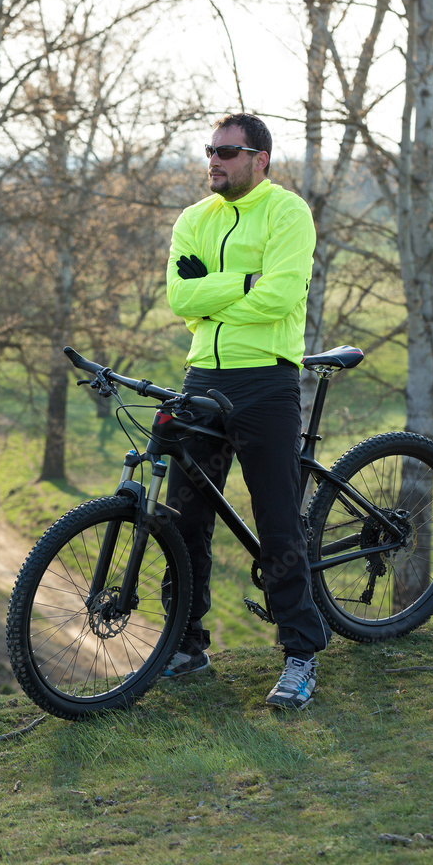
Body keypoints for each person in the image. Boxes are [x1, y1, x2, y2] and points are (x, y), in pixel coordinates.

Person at [163, 112, 330, 709]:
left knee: (277, 521)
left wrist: (216, 291)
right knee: (181, 519)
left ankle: (301, 653)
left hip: (267, 380)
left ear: (260, 159)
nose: (215, 160)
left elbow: (282, 296)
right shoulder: (192, 219)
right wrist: (244, 283)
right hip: (201, 377)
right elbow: (181, 297)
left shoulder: (287, 212)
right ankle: (184, 646)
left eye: (228, 152)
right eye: (211, 150)